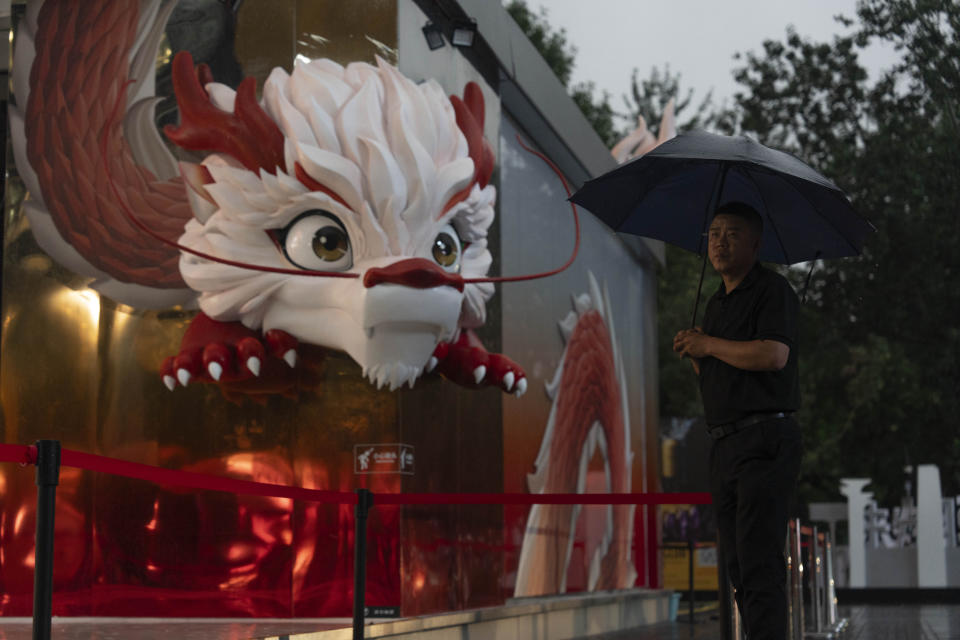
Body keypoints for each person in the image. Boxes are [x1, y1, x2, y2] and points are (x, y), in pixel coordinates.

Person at [672, 201, 802, 640]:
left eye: (731, 233)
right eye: (713, 234)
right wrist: (696, 350)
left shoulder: (773, 291)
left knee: (758, 560)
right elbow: (716, 375)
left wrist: (708, 345)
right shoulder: (715, 303)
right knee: (736, 566)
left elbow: (773, 355)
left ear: (755, 242)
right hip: (724, 443)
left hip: (765, 438)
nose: (719, 242)